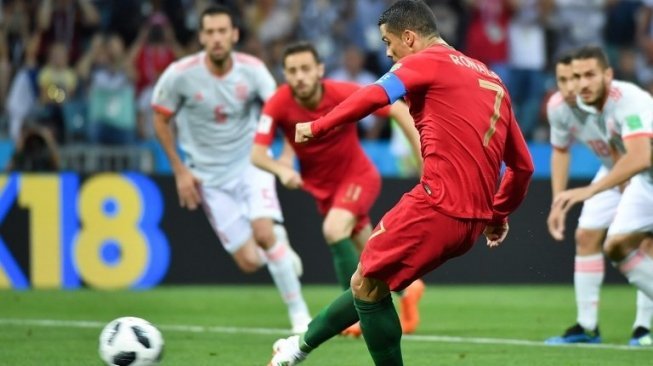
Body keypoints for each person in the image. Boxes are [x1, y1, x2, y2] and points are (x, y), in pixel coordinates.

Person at [268, 1, 534, 365]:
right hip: (470, 225)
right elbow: (523, 166)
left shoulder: (424, 61)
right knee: (371, 281)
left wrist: (318, 125)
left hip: (437, 204)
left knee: (365, 284)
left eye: (388, 42)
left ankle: (298, 347)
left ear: (408, 37)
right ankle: (297, 346)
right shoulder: (492, 79)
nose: (388, 52)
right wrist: (498, 213)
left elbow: (376, 95)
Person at [151, 5, 311, 334]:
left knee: (263, 234)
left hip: (251, 163)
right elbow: (160, 117)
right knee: (250, 262)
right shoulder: (180, 75)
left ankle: (300, 316)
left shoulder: (253, 71)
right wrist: (180, 170)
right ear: (201, 37)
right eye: (210, 32)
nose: (217, 38)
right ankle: (279, 247)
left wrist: (285, 156)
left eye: (223, 31)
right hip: (208, 178)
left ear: (235, 34)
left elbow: (287, 110)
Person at [251, 41, 424, 336]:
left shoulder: (340, 92)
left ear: (319, 70)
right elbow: (257, 154)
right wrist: (281, 169)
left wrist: (424, 159)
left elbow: (396, 110)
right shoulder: (278, 103)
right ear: (285, 74)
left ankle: (355, 313)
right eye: (292, 71)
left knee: (334, 230)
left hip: (357, 177)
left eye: (306, 68)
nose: (300, 76)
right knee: (373, 253)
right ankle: (409, 289)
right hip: (324, 191)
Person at [545, 51, 653, 345]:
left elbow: (641, 154)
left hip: (637, 171)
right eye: (570, 78)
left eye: (587, 75)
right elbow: (571, 149)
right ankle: (588, 325)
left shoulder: (629, 100)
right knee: (614, 245)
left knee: (645, 242)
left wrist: (590, 190)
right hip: (640, 178)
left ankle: (644, 327)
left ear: (608, 75)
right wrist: (560, 200)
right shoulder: (576, 105)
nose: (577, 85)